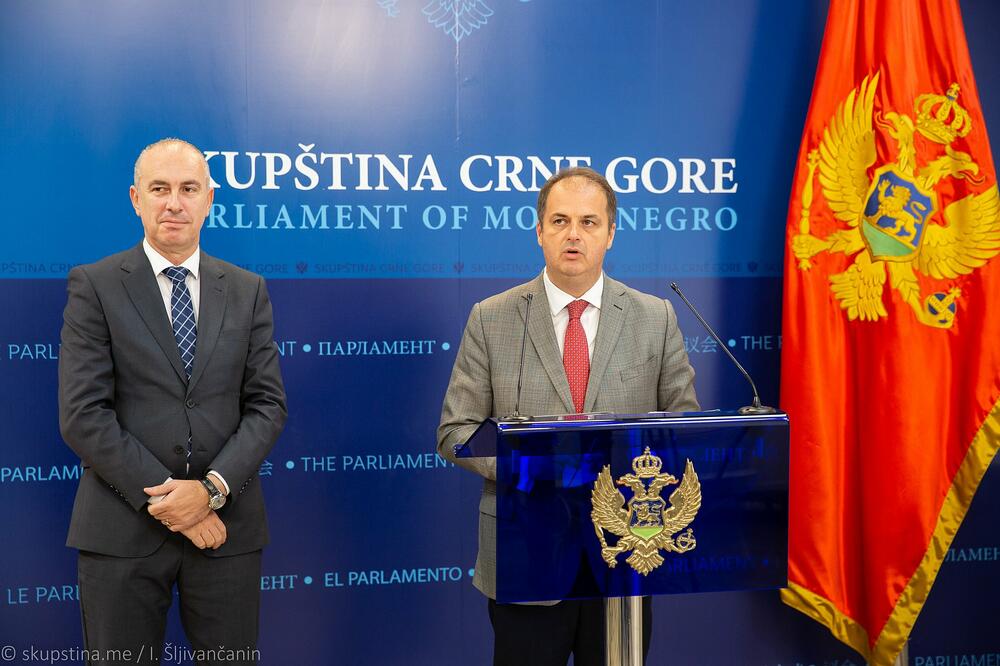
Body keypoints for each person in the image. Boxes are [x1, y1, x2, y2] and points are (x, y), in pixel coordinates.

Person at [437, 167, 699, 666]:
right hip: (526, 555)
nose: (573, 234)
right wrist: (536, 466)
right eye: (560, 221)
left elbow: (682, 428)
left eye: (588, 222)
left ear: (610, 233)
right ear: (539, 231)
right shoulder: (491, 318)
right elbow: (456, 432)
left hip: (626, 553)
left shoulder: (655, 317)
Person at [58, 138, 287, 665]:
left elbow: (267, 405)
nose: (174, 203)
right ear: (136, 198)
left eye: (188, 189)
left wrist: (210, 490)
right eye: (159, 189)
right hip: (122, 532)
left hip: (225, 532)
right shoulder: (94, 286)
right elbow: (83, 414)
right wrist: (176, 505)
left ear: (209, 199)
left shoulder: (248, 290)